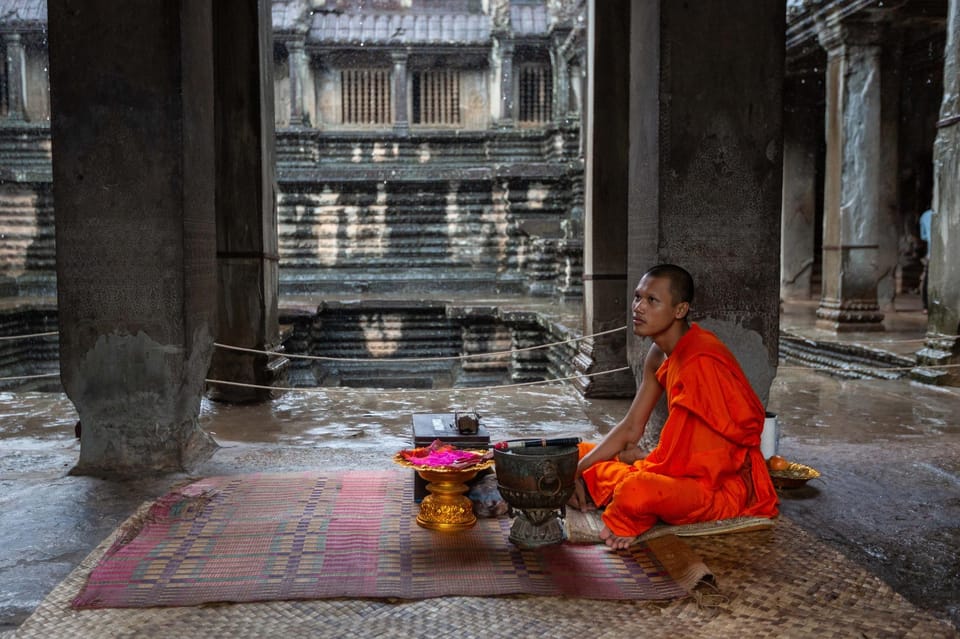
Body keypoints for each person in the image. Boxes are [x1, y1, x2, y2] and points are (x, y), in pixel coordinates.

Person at [569, 264, 779, 549]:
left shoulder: (702, 358)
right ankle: (620, 477)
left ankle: (630, 508)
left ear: (679, 310)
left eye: (651, 300)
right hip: (674, 474)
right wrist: (577, 470)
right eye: (637, 297)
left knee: (635, 491)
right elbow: (632, 427)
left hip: (714, 486)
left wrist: (645, 467)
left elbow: (713, 461)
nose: (638, 307)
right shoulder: (658, 354)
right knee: (577, 454)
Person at [919, 207, 933, 311]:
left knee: (928, 278)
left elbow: (923, 236)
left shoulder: (925, 215)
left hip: (931, 252)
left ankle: (926, 306)